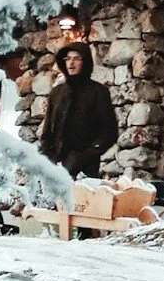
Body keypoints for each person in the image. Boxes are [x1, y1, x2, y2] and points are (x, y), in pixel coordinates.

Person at [39, 42, 118, 181]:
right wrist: (48, 157)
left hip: (86, 168)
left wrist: (87, 154)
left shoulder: (98, 92)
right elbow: (47, 131)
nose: (71, 63)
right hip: (56, 165)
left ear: (85, 62)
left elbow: (109, 131)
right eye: (68, 59)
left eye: (76, 59)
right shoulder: (57, 93)